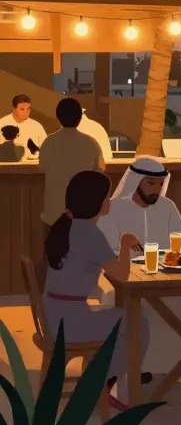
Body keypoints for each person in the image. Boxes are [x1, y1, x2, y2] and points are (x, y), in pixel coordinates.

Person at [43, 169, 149, 411]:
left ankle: (103, 378)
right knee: (138, 324)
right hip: (70, 324)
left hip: (55, 315)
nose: (110, 201)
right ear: (97, 201)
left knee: (119, 315)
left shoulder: (66, 226)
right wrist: (125, 244)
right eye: (107, 196)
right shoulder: (90, 233)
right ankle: (104, 382)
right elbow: (121, 275)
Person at [96, 157, 181, 378]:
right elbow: (104, 252)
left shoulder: (167, 206)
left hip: (165, 278)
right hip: (123, 279)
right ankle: (134, 365)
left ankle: (171, 366)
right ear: (137, 181)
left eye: (160, 184)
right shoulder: (114, 208)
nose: (157, 189)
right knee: (127, 305)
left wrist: (171, 259)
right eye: (151, 183)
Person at [39, 98, 105, 226]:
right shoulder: (90, 142)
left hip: (54, 214)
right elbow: (101, 168)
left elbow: (42, 167)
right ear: (80, 118)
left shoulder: (48, 142)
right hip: (83, 212)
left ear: (58, 117)